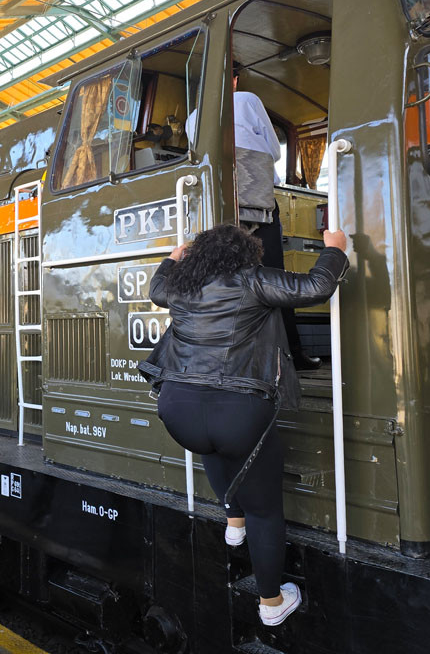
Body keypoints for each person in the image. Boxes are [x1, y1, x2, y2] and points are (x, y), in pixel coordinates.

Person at [139, 224, 348, 627]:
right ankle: (271, 603)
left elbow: (156, 287)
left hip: (177, 408)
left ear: (199, 257)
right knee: (266, 511)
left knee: (211, 447)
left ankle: (233, 521)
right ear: (246, 255)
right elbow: (316, 287)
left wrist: (172, 256)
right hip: (236, 408)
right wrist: (334, 249)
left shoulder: (180, 285)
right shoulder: (254, 280)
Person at [186, 63, 320, 370]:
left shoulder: (193, 119)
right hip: (257, 200)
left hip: (219, 208)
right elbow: (274, 151)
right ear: (233, 81)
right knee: (273, 274)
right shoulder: (247, 100)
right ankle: (292, 354)